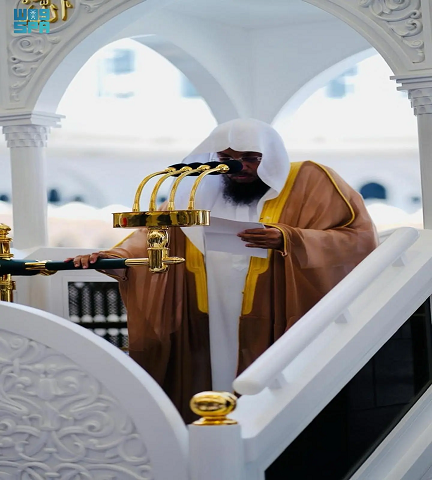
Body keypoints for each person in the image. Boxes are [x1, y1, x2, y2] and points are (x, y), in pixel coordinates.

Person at [68, 118, 378, 422]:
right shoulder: (193, 192)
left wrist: (288, 237)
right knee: (213, 375)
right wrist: (113, 257)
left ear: (270, 158)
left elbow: (358, 239)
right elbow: (151, 237)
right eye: (227, 159)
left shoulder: (310, 181)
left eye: (251, 159)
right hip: (209, 311)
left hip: (275, 308)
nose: (238, 167)